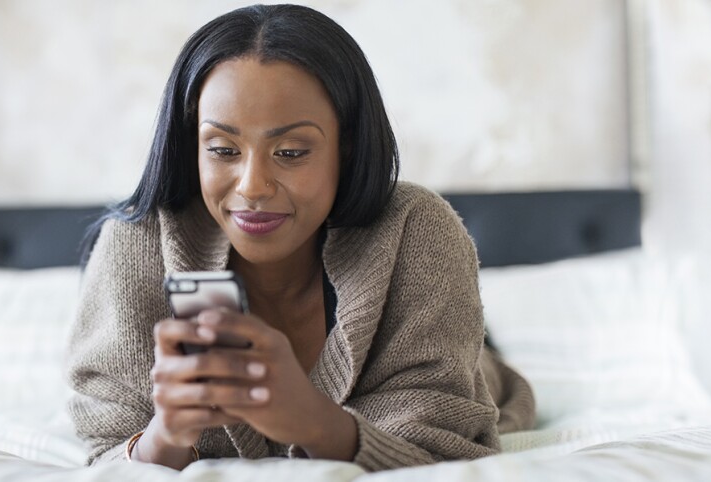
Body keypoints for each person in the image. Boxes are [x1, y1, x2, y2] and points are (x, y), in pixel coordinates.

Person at [66, 3, 535, 472]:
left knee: (478, 363)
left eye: (290, 152)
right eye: (223, 149)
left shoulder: (417, 230)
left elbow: (447, 442)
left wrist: (311, 419)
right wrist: (165, 436)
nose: (252, 186)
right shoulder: (133, 244)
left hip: (448, 348)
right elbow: (106, 447)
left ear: (345, 147)